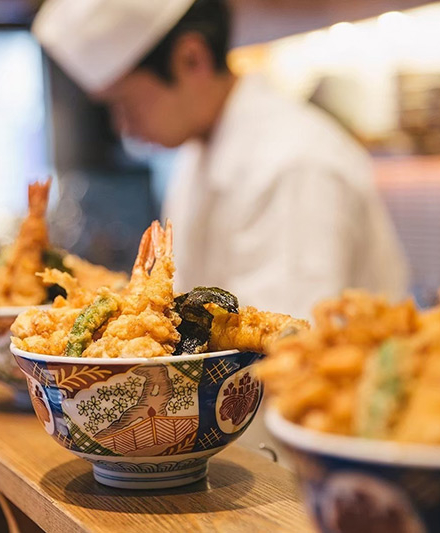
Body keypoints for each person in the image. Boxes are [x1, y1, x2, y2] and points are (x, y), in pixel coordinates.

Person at [33, 0, 409, 459]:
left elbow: (286, 358)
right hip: (226, 446)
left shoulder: (294, 164)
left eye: (124, 101)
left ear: (191, 58)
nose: (123, 125)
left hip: (312, 459)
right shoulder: (195, 154)